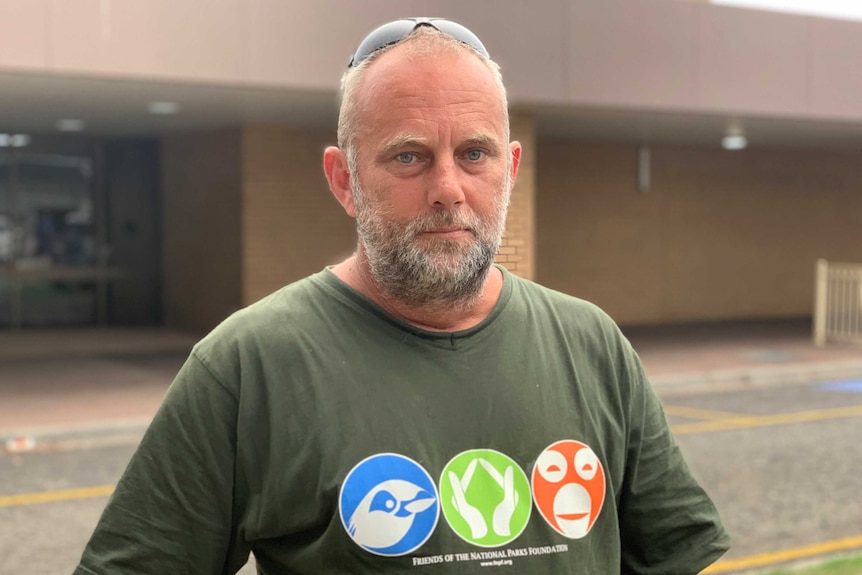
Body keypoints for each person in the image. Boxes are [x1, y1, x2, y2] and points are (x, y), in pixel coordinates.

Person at [74, 17, 730, 574]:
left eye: (475, 153)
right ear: (345, 180)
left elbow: (683, 555)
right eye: (410, 157)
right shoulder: (248, 367)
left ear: (512, 170)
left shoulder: (593, 345)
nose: (448, 186)